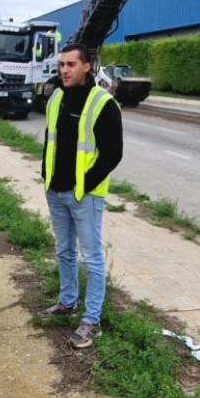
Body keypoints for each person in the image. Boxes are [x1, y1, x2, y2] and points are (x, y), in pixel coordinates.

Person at [38, 43, 123, 348]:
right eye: (61, 65)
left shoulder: (103, 103)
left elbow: (113, 153)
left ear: (87, 66)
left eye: (71, 64)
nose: (64, 70)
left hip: (84, 196)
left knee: (92, 257)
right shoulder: (56, 97)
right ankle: (67, 302)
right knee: (64, 250)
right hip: (55, 191)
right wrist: (45, 174)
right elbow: (51, 140)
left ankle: (92, 320)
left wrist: (85, 185)